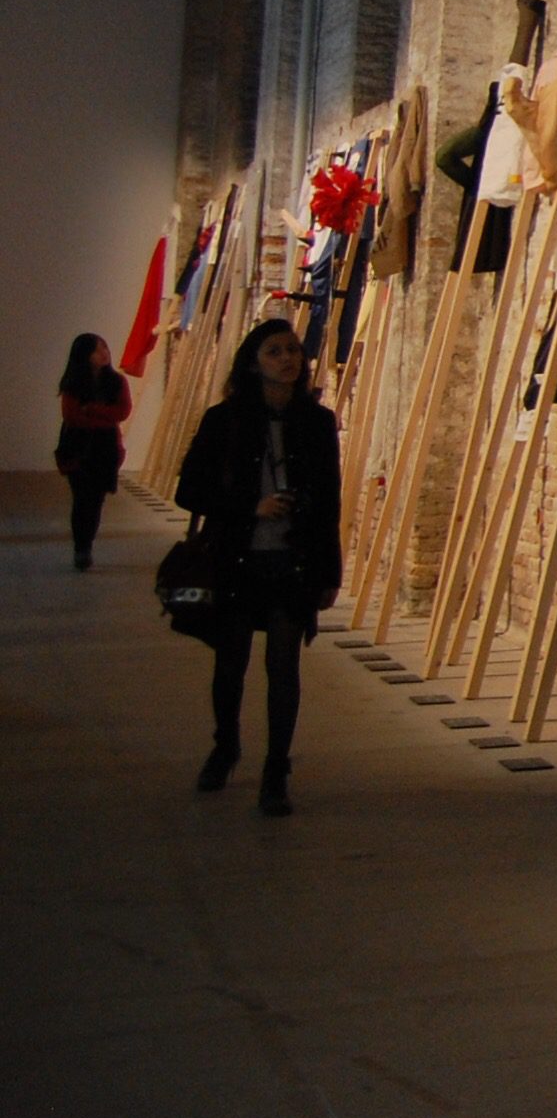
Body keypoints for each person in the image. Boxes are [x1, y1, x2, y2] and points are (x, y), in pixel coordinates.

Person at [174, 319, 342, 817]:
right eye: (274, 351)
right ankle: (225, 746)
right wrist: (251, 506)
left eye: (292, 350)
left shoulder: (317, 422)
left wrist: (330, 572)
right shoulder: (223, 420)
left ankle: (276, 770)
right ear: (253, 362)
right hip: (237, 558)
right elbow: (189, 490)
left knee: (284, 666)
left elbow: (330, 500)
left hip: (292, 559)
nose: (288, 359)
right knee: (231, 663)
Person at [54, 333, 130, 570]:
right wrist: (103, 417)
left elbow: (122, 412)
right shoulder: (73, 383)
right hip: (78, 448)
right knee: (82, 498)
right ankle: (82, 547)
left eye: (105, 348)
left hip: (105, 450)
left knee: (96, 500)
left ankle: (86, 544)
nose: (104, 353)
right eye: (98, 350)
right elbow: (72, 416)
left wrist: (92, 409)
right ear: (85, 355)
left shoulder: (117, 382)